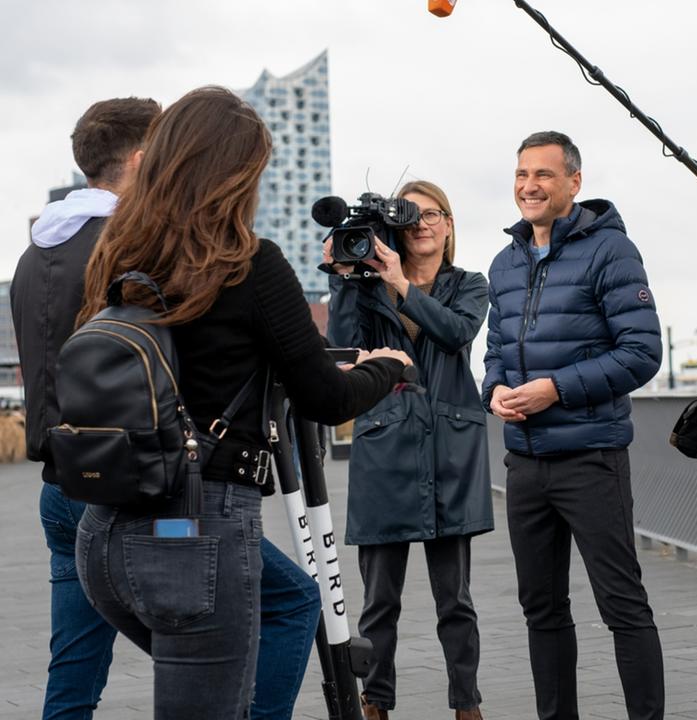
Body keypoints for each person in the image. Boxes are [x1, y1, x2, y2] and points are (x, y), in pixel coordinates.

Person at [73, 86, 411, 720]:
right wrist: (387, 369)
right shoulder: (247, 264)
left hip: (108, 531)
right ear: (236, 176)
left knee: (289, 603)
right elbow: (324, 394)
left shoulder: (118, 254)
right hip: (195, 529)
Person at [14, 96, 325, 720]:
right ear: (142, 159)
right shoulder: (139, 245)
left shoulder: (36, 255)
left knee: (72, 672)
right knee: (276, 611)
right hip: (156, 484)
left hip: (67, 477)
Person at [483, 131, 665, 720]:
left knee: (622, 605)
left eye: (542, 175)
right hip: (525, 463)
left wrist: (556, 389)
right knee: (542, 609)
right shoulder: (504, 263)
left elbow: (641, 352)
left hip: (591, 459)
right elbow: (493, 355)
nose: (529, 186)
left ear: (573, 183)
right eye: (520, 175)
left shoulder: (611, 251)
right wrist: (495, 394)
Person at [325, 180, 493, 720]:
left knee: (456, 601)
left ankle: (466, 705)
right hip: (386, 446)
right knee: (379, 602)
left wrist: (398, 281)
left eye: (433, 213)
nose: (422, 223)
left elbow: (456, 333)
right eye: (410, 215)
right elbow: (344, 349)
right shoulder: (369, 289)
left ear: (449, 224)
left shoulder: (470, 284)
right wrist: (349, 280)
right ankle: (376, 702)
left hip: (449, 450)